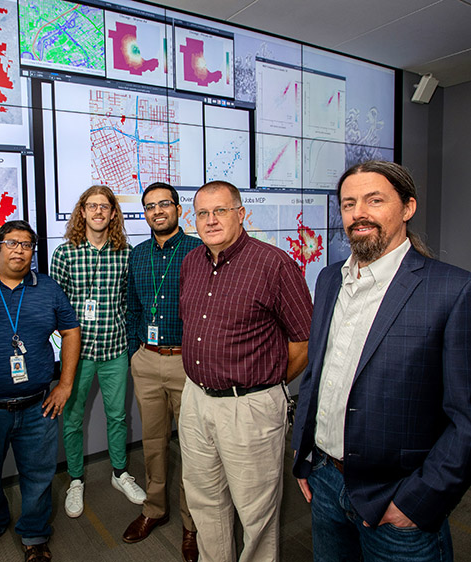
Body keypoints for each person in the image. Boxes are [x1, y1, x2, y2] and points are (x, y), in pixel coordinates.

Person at [292, 161, 471, 561]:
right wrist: (304, 459)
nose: (359, 213)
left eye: (375, 200)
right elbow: (317, 377)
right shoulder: (328, 278)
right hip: (325, 482)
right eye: (349, 203)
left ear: (408, 207)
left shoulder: (453, 290)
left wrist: (420, 500)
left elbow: (466, 418)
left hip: (398, 502)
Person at [178, 180, 313, 562]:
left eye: (220, 210)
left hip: (249, 408)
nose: (211, 220)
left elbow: (304, 340)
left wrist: (265, 385)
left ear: (241, 214)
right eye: (202, 213)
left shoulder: (274, 263)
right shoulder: (192, 262)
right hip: (196, 400)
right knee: (204, 500)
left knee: (256, 513)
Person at [0, 220, 81, 562]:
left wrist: (65, 384)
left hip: (38, 406)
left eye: (26, 245)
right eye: (12, 243)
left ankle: (35, 534)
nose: (19, 250)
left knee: (39, 475)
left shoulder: (48, 288)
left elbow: (70, 332)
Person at [50, 185, 146, 519]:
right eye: (92, 206)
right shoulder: (64, 253)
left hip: (114, 350)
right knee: (73, 419)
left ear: (112, 213)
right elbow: (54, 307)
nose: (98, 212)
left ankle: (120, 474)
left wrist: (131, 342)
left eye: (104, 207)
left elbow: (128, 302)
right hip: (77, 355)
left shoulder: (126, 252)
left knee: (118, 416)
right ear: (82, 211)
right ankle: (76, 479)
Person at [122, 182, 202, 562]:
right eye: (150, 206)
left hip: (189, 362)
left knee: (193, 448)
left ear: (177, 208)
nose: (158, 211)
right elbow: (133, 306)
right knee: (153, 442)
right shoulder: (136, 255)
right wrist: (136, 351)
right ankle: (155, 508)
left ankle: (192, 522)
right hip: (147, 360)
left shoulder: (199, 250)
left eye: (164, 204)